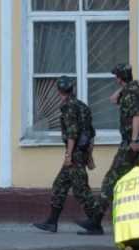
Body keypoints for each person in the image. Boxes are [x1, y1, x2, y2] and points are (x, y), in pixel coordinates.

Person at [77, 64, 139, 235]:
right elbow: (113, 99)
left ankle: (96, 221)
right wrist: (126, 86)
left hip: (130, 144)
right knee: (137, 182)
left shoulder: (131, 94)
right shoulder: (134, 90)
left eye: (117, 77)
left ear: (120, 77)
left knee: (110, 180)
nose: (115, 80)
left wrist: (133, 140)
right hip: (135, 143)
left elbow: (137, 116)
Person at [34, 76, 101, 234]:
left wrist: (68, 156)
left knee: (81, 190)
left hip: (75, 154)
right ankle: (52, 222)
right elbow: (90, 134)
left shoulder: (68, 107)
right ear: (73, 89)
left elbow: (72, 134)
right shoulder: (82, 106)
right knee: (59, 185)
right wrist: (89, 156)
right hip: (82, 152)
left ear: (59, 91)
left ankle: (96, 223)